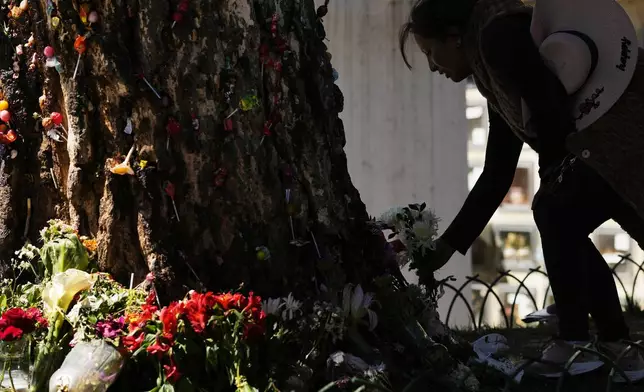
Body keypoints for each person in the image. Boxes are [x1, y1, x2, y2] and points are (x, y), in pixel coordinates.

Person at [399, 0, 644, 381]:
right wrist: (445, 248)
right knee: (558, 212)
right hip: (610, 149)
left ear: (455, 38)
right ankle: (615, 346)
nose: (433, 66)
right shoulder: (491, 65)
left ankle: (578, 340)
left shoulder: (498, 38)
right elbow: (498, 171)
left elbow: (548, 105)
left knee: (555, 210)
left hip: (624, 137)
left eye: (432, 53)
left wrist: (553, 176)